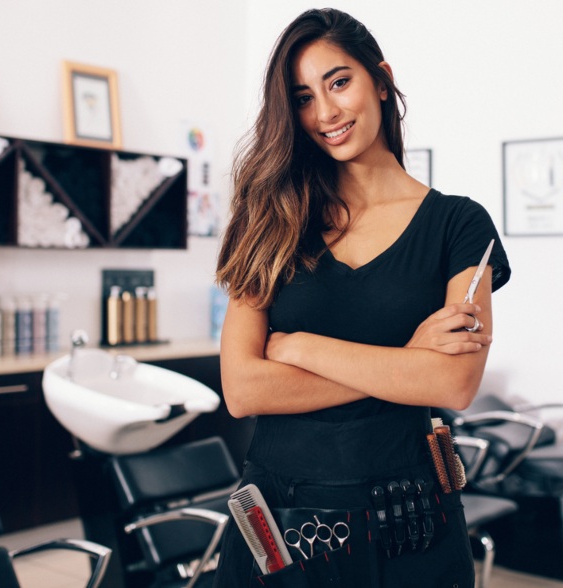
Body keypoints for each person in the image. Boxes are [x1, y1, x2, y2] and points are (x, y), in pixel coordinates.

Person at [213, 7, 510, 588]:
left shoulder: (460, 225)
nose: (325, 113)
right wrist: (407, 359)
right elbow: (243, 389)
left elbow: (453, 384)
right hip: (282, 520)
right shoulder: (271, 217)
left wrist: (297, 346)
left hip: (412, 521)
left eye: (339, 82)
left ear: (380, 78)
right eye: (302, 97)